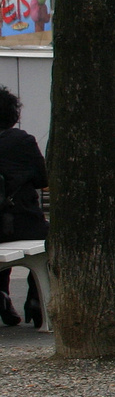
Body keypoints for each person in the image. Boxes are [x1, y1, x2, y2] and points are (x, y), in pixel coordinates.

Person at [0, 87, 47, 328]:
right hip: (24, 223)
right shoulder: (22, 141)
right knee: (50, 241)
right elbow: (43, 179)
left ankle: (3, 295)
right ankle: (37, 297)